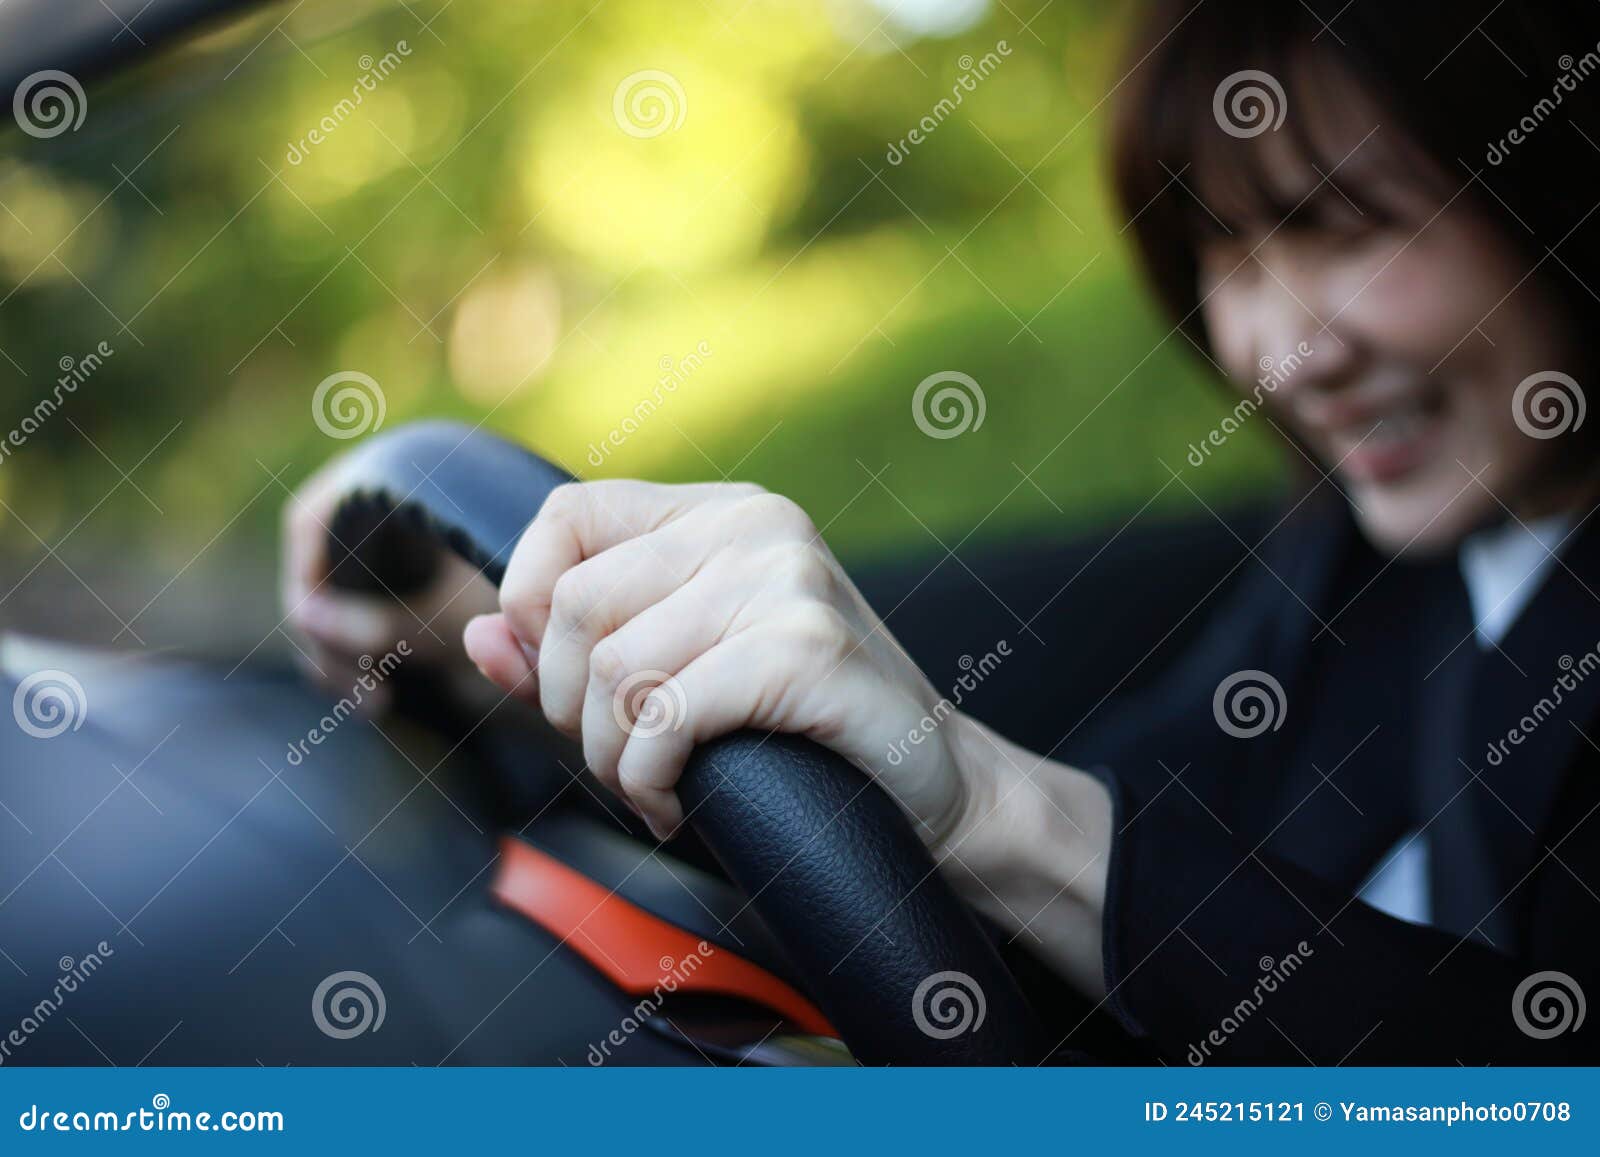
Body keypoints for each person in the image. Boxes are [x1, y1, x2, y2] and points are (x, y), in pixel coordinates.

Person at [284, 0, 1600, 1063]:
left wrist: (990, 805)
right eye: (1229, 251)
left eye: (1345, 227)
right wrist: (524, 647)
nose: (1283, 350)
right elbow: (1154, 808)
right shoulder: (1368, 569)